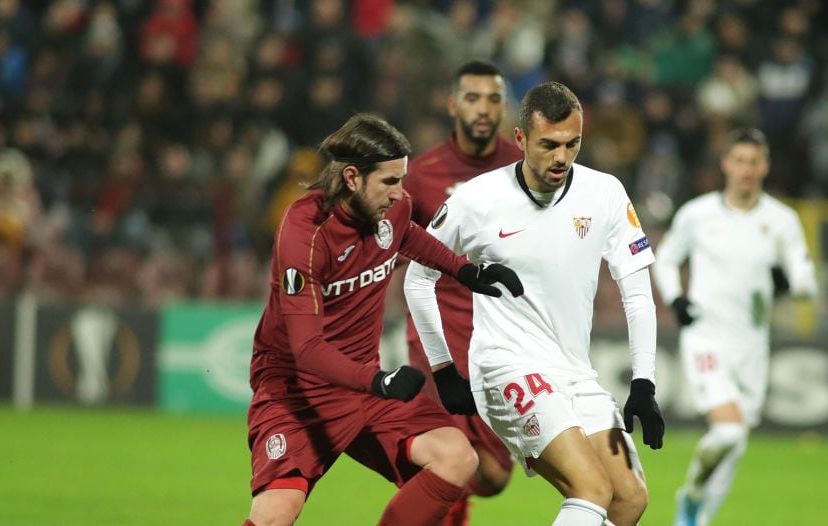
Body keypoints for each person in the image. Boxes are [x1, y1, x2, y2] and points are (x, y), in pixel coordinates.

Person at [404, 81, 665, 526]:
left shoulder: (605, 193)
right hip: (507, 366)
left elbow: (637, 292)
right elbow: (418, 278)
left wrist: (644, 381)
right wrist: (444, 369)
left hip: (575, 371)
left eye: (573, 143)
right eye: (549, 145)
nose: (562, 157)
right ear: (521, 139)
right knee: (593, 489)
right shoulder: (477, 199)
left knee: (629, 500)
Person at [243, 113, 523, 526]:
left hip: (362, 389)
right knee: (275, 516)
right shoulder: (305, 232)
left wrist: (466, 271)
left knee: (456, 456)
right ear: (352, 177)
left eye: (403, 180)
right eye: (390, 181)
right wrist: (379, 382)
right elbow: (306, 349)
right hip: (296, 393)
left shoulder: (392, 209)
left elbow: (408, 233)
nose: (399, 193)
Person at [652, 128, 817, 526]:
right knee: (727, 433)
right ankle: (690, 498)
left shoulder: (781, 220)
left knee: (736, 442)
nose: (746, 169)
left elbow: (804, 277)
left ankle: (696, 513)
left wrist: (794, 285)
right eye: (739, 161)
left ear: (765, 166)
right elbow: (667, 258)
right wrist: (676, 299)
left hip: (753, 345)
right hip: (706, 336)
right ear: (726, 163)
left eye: (754, 162)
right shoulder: (698, 214)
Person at [402, 60, 524, 524]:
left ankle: (427, 483)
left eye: (493, 99)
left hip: (501, 333)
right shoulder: (422, 174)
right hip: (439, 333)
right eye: (472, 98)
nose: (483, 109)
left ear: (504, 107)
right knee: (450, 458)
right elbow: (396, 246)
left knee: (492, 474)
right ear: (453, 104)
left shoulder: (522, 168)